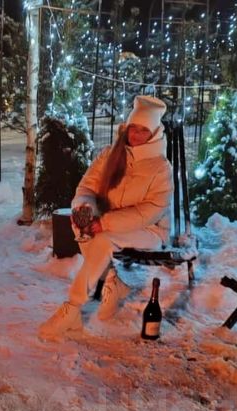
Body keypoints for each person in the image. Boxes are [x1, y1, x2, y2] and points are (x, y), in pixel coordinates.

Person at [39, 95, 174, 341]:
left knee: (102, 239)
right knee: (82, 227)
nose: (136, 134)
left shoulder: (160, 168)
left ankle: (72, 307)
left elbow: (151, 210)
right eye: (133, 127)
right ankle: (114, 282)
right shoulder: (110, 155)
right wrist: (85, 210)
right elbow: (86, 188)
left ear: (154, 133)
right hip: (108, 221)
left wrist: (105, 223)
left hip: (150, 230)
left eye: (143, 130)